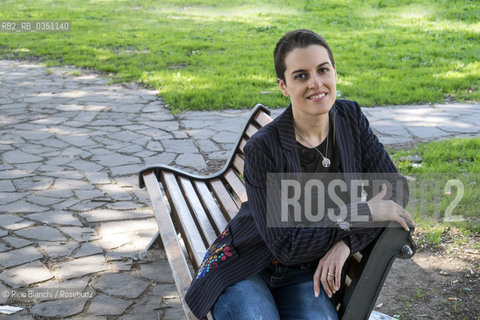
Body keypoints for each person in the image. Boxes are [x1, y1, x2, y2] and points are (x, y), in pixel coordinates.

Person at [185, 29, 414, 320]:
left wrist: (347, 243)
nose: (316, 83)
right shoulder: (263, 148)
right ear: (283, 86)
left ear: (334, 72)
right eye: (301, 75)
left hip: (307, 272)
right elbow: (287, 245)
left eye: (322, 70)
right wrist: (362, 212)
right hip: (247, 264)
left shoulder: (350, 119)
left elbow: (395, 193)